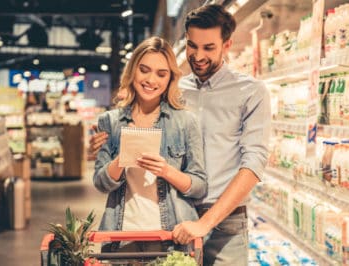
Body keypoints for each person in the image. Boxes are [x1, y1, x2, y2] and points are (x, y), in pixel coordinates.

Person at [90, 4, 271, 265]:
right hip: (174, 216)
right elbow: (133, 122)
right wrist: (102, 145)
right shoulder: (172, 90)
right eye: (192, 46)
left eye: (208, 48)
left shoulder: (251, 92)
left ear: (227, 44)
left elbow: (254, 162)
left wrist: (205, 223)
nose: (198, 55)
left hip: (225, 221)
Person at [92, 36, 207, 252]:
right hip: (122, 238)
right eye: (144, 70)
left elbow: (200, 187)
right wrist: (122, 159)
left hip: (171, 238)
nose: (151, 80)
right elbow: (100, 183)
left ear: (170, 78)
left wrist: (166, 171)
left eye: (161, 74)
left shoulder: (185, 122)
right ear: (133, 70)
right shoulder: (111, 121)